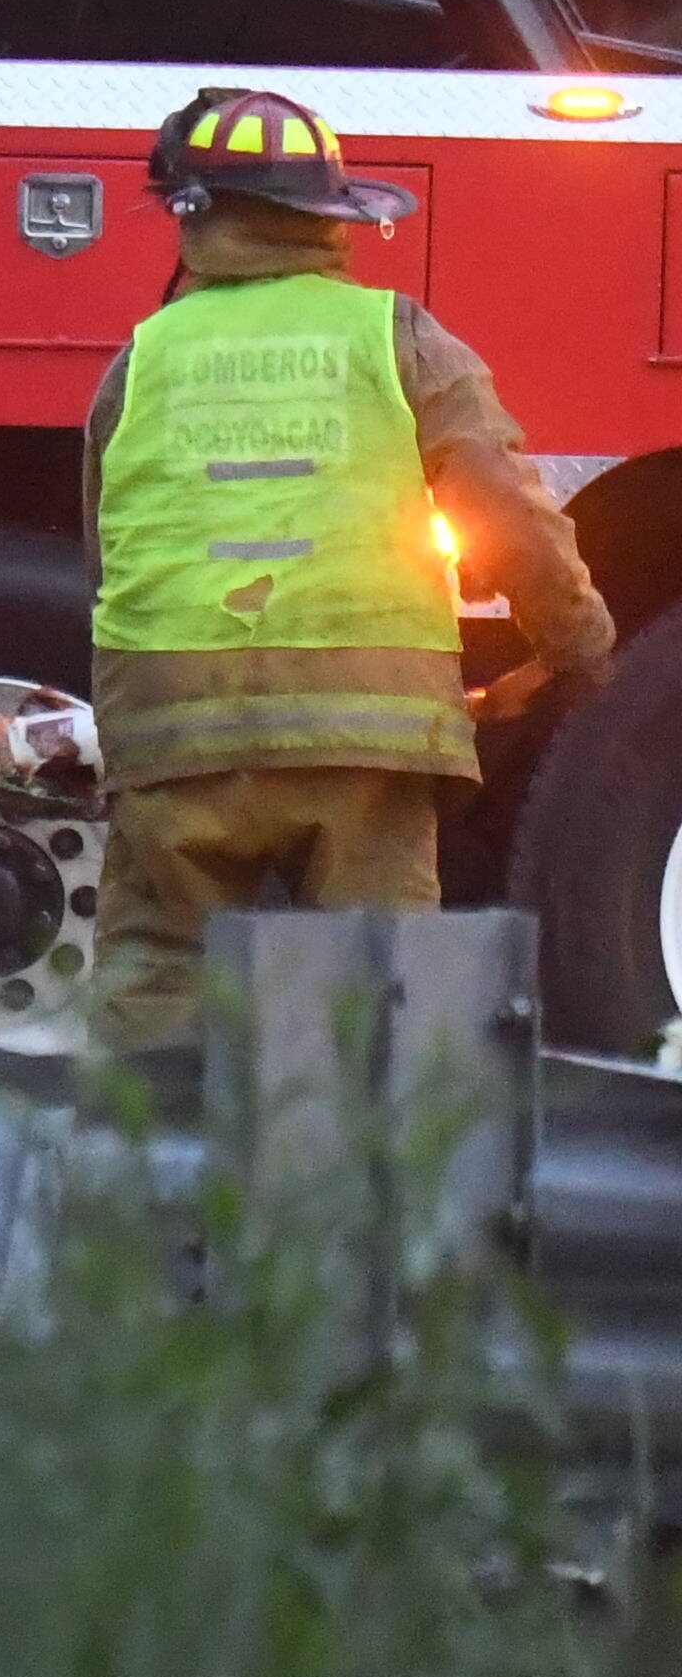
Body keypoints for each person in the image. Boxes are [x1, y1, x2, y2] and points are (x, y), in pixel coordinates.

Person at [82, 82, 615, 1038]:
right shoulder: (397, 338)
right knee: (382, 996)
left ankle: (141, 1177)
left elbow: (110, 549)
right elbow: (505, 508)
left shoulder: (140, 362)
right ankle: (371, 1182)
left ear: (192, 217)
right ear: (328, 217)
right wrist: (580, 652)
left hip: (173, 738)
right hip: (365, 738)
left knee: (157, 979)